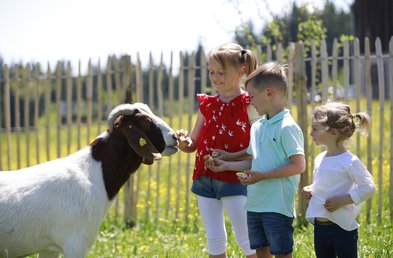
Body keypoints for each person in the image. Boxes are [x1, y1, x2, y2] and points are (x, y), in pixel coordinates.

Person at [206, 61, 306, 258]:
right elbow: (254, 160)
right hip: (255, 203)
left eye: (252, 97)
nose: (250, 102)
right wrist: (227, 162)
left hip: (277, 206)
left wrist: (262, 176)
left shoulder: (287, 127)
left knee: (282, 253)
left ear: (269, 93)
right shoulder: (258, 126)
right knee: (260, 251)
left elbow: (298, 165)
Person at [176, 43, 258, 258]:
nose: (215, 77)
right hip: (205, 176)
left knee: (246, 237)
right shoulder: (208, 104)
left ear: (241, 71)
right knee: (214, 237)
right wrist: (185, 143)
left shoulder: (250, 103)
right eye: (211, 72)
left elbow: (259, 145)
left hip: (235, 176)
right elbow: (193, 142)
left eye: (221, 72)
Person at [302, 102, 376, 258]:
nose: (311, 133)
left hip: (342, 228)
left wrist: (343, 200)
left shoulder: (349, 161)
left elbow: (369, 187)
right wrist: (311, 189)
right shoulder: (320, 158)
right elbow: (326, 184)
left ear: (333, 132)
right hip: (320, 227)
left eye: (315, 129)